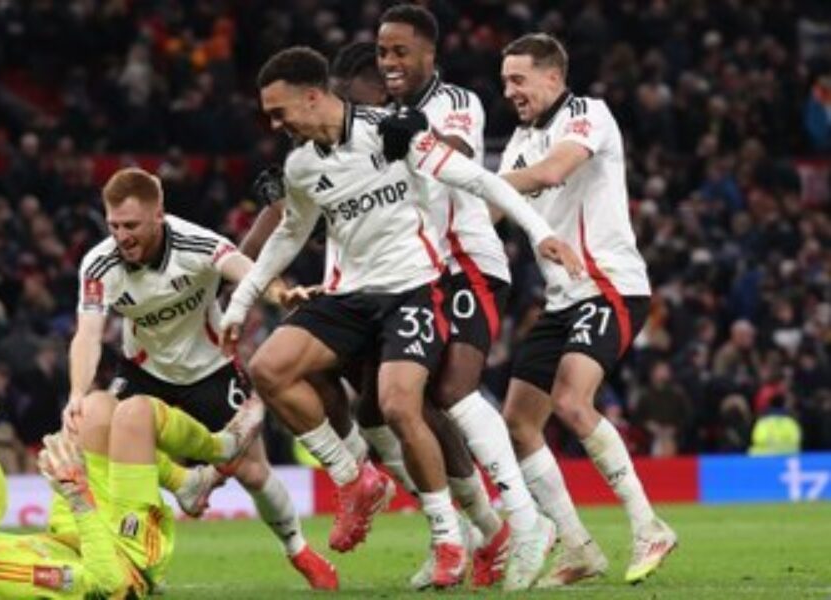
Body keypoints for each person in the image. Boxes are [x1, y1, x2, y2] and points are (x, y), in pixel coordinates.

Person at [222, 45, 579, 588]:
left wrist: (540, 231)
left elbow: (476, 178)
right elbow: (291, 233)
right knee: (270, 368)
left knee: (399, 404)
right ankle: (353, 478)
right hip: (351, 297)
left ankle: (454, 540)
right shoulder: (300, 164)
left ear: (314, 96)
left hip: (414, 290)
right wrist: (242, 300)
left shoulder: (391, 133)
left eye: (279, 111)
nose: (274, 124)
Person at [61, 167, 337, 589]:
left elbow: (248, 271)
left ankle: (298, 549)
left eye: (131, 225)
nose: (121, 236)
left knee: (252, 472)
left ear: (159, 216)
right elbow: (88, 333)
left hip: (210, 370)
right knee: (98, 426)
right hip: (144, 371)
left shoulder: (196, 243)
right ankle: (130, 558)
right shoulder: (99, 264)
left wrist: (282, 294)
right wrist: (76, 393)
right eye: (114, 225)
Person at [376, 6, 553, 589]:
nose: (391, 62)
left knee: (452, 390)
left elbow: (454, 151)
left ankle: (525, 522)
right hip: (416, 273)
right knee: (405, 402)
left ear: (430, 54)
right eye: (383, 53)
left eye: (401, 51)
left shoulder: (457, 101)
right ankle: (473, 530)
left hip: (467, 262)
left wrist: (412, 138)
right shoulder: (383, 115)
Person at [496, 33, 677, 586]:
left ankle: (649, 527)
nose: (510, 92)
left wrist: (483, 183)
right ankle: (578, 546)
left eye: (519, 80)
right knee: (519, 422)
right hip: (559, 300)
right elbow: (492, 209)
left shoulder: (587, 115)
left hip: (610, 286)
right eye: (505, 82)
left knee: (574, 403)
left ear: (553, 77)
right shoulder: (516, 143)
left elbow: (554, 172)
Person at [0, 394, 259, 598]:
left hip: (73, 533)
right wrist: (77, 496)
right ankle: (220, 448)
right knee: (136, 414)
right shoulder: (12, 579)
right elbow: (108, 584)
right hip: (123, 558)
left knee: (96, 407)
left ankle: (186, 484)